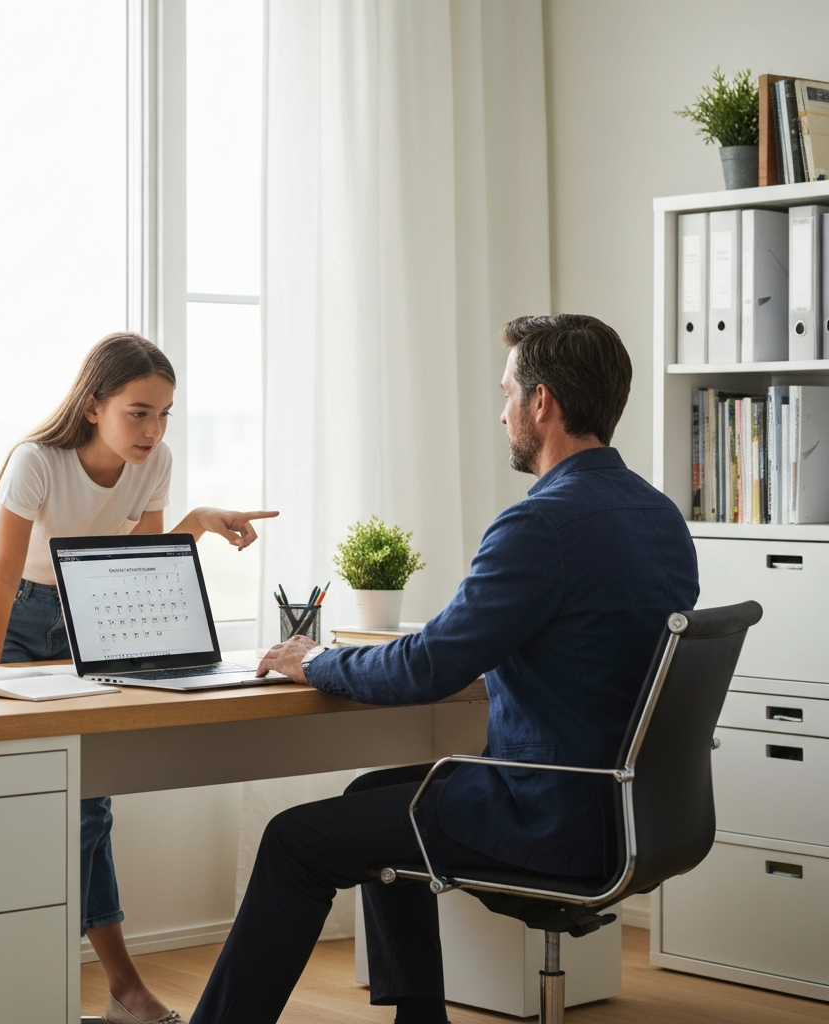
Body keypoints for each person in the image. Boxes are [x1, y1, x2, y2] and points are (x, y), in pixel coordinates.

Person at [189, 314, 700, 1024]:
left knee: (293, 841)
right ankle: (418, 1017)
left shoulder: (540, 523)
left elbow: (426, 667)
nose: (501, 413)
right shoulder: (657, 516)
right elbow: (591, 651)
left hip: (550, 811)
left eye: (506, 393)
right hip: (629, 806)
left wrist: (315, 661)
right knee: (373, 792)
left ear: (541, 402)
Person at [0, 332, 277, 1024]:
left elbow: (134, 567)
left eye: (164, 414)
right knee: (36, 796)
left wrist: (193, 523)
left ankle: (106, 989)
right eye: (138, 412)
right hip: (8, 612)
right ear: (94, 403)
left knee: (89, 801)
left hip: (82, 613)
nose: (153, 429)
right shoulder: (35, 463)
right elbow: (6, 577)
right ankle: (75, 983)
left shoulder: (152, 463)